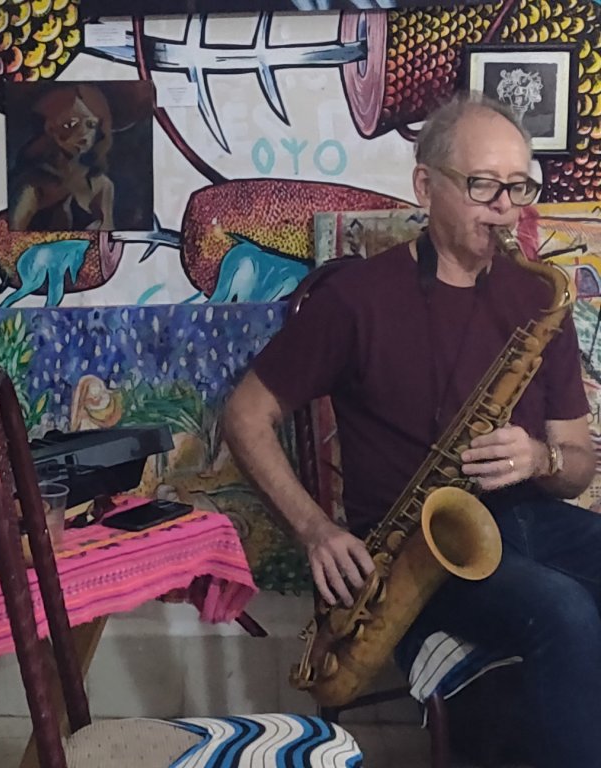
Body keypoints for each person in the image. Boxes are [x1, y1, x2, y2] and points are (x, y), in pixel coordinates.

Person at [223, 93, 600, 768]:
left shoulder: (540, 296)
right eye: (483, 185)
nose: (505, 209)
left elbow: (577, 466)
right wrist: (315, 530)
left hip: (531, 518)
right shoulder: (355, 299)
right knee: (564, 613)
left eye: (519, 187)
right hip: (415, 549)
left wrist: (541, 458)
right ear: (425, 185)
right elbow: (244, 414)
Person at [8, 83, 115, 231]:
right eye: (71, 124)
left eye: (91, 125)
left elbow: (109, 236)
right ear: (51, 128)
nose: (84, 134)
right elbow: (11, 237)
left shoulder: (101, 185)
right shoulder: (32, 185)